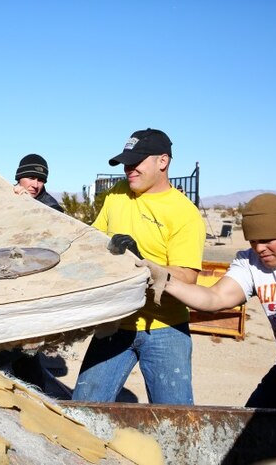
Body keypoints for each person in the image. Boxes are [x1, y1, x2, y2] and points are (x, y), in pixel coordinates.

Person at [140, 193, 276, 408]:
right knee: (250, 433)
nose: (259, 248)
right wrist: (166, 281)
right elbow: (215, 297)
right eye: (253, 241)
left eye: (266, 240)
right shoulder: (250, 262)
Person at [72, 128, 205, 405]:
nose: (128, 169)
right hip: (115, 321)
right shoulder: (117, 195)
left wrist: (144, 262)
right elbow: (92, 241)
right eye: (126, 163)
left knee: (175, 420)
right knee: (82, 410)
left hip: (165, 328)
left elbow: (188, 279)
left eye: (136, 162)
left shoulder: (184, 213)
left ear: (162, 161)